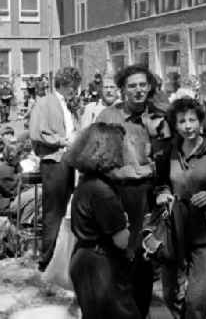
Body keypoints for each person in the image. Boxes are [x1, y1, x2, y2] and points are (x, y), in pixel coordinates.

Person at [95, 64, 170, 317]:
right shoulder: (109, 116)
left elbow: (170, 155)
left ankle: (140, 310)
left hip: (149, 196)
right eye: (132, 85)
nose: (138, 90)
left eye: (142, 84)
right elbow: (97, 159)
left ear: (149, 86)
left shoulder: (160, 116)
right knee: (117, 256)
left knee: (144, 260)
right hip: (117, 193)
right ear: (123, 90)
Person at [157, 98, 206, 319]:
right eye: (181, 121)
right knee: (170, 295)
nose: (188, 126)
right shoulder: (167, 152)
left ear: (201, 121)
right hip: (174, 231)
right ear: (174, 124)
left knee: (198, 297)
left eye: (192, 120)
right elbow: (160, 183)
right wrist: (163, 193)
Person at [67, 122, 140, 319]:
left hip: (86, 259)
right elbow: (121, 240)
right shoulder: (102, 191)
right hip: (100, 265)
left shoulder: (88, 182)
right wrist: (128, 226)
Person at [27, 66, 81, 271]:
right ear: (65, 84)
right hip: (54, 162)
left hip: (67, 161)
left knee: (66, 208)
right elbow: (36, 132)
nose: (75, 91)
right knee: (53, 211)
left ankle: (59, 256)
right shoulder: (45, 102)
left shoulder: (66, 104)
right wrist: (62, 141)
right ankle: (46, 258)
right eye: (73, 87)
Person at [0, 144, 37, 225]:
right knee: (38, 193)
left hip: (10, 200)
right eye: (20, 154)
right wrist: (29, 186)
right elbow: (14, 191)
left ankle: (26, 220)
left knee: (38, 191)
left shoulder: (14, 165)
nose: (22, 156)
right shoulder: (4, 170)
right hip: (3, 205)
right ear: (12, 156)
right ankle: (24, 222)